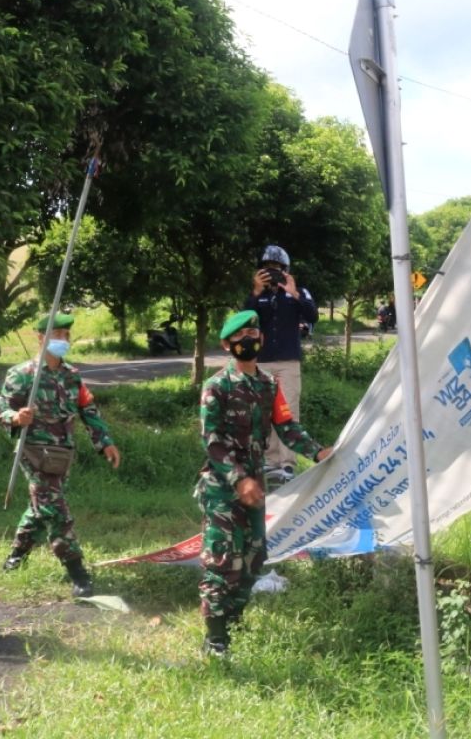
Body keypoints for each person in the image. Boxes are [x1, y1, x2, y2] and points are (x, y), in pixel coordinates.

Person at [197, 310, 332, 657]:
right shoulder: (217, 387)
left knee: (255, 560)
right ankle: (215, 637)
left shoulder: (270, 385)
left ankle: (234, 619)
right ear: (228, 344)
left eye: (254, 332)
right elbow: (212, 441)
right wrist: (238, 479)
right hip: (222, 487)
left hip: (255, 487)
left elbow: (287, 427)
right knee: (223, 562)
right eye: (240, 335)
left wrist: (318, 453)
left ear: (262, 339)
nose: (249, 339)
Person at [0, 313, 121, 598]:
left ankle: (16, 556)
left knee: (42, 504)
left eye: (66, 335)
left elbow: (88, 410)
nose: (63, 340)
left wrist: (105, 442)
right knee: (55, 509)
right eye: (57, 334)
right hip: (34, 452)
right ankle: (77, 572)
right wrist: (16, 417)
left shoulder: (72, 375)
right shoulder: (22, 374)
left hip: (62, 453)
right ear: (41, 338)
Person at [244, 244, 319, 480]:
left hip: (288, 362)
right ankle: (270, 460)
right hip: (262, 362)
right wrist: (256, 292)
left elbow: (312, 315)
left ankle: (287, 463)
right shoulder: (258, 296)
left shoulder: (299, 292)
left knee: (288, 412)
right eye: (267, 269)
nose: (272, 273)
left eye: (277, 269)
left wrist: (294, 292)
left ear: (286, 270)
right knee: (264, 412)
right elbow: (244, 320)